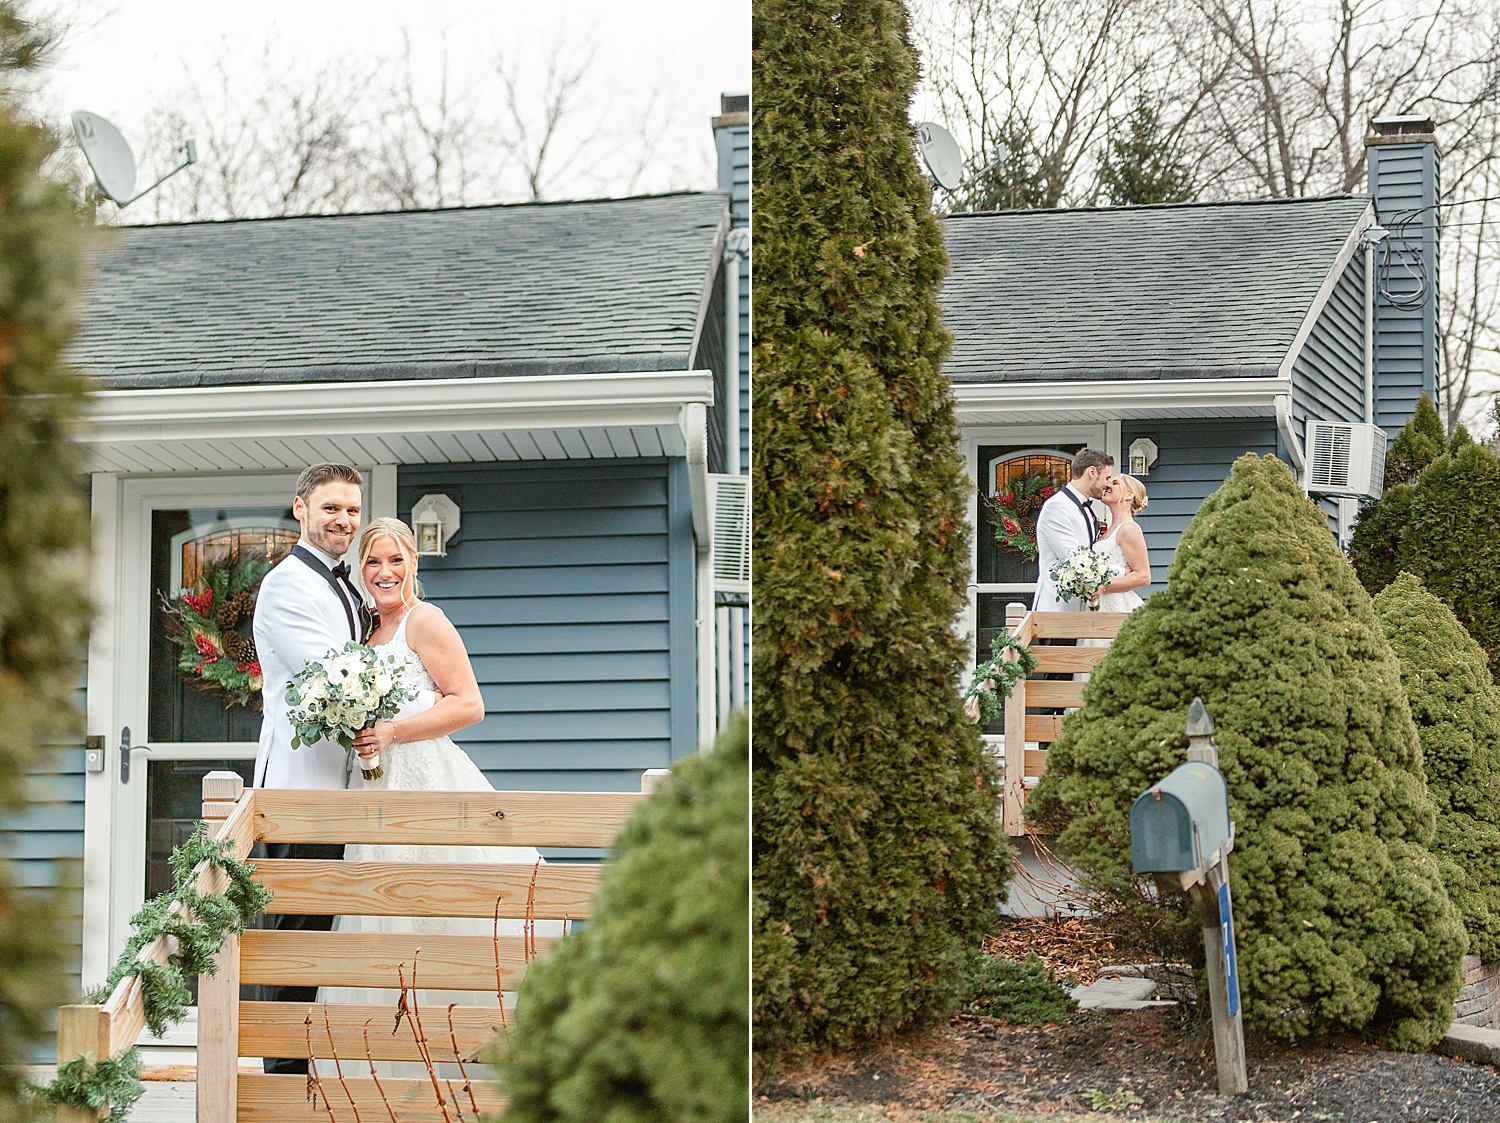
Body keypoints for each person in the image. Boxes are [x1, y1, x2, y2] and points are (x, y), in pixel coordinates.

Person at [320, 517, 549, 1077]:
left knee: (438, 907)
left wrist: (395, 731)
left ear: (413, 565)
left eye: (395, 560)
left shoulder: (425, 621)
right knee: (382, 912)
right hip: (374, 788)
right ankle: (387, 1066)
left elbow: (468, 703)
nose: (384, 572)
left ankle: (469, 1058)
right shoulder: (364, 634)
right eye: (373, 561)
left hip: (427, 780)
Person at [1032, 448, 1114, 611]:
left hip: (1080, 611)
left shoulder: (1086, 509)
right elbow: (1074, 559)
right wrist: (1123, 573)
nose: (1107, 484)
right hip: (1057, 611)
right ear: (1092, 472)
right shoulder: (1057, 506)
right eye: (1107, 477)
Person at [1090, 473, 1152, 613]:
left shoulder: (1129, 528)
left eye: (1115, 483)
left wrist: (1104, 587)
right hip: (1100, 605)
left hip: (1119, 607)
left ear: (1129, 495)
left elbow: (1143, 576)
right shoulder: (1107, 531)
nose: (1107, 485)